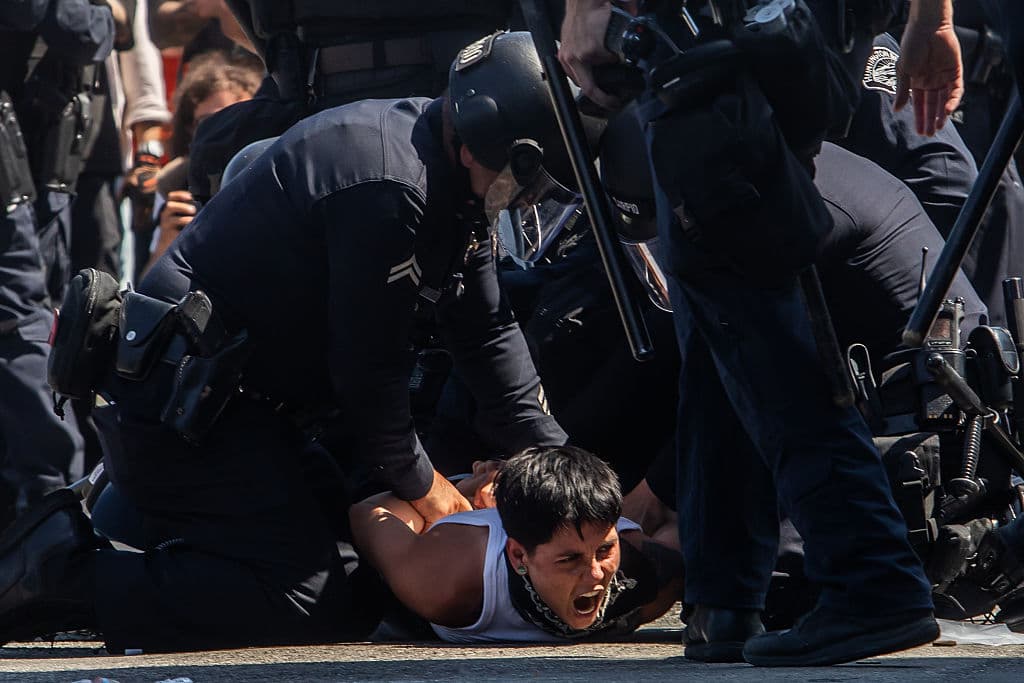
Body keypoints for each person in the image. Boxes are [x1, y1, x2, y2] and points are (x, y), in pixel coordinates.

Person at [0, 31, 574, 653]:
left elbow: (487, 329)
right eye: (530, 179)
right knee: (306, 606)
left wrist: (562, 468)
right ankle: (59, 574)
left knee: (358, 579)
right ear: (484, 149)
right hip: (185, 413)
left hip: (245, 414)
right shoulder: (390, 187)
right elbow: (368, 375)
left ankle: (138, 544)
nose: (529, 199)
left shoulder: (446, 170)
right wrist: (426, 487)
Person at [558, 0, 964, 667]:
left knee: (746, 301)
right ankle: (726, 597)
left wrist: (588, 8)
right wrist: (933, 17)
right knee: (721, 316)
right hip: (798, 31)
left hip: (712, 33)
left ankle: (871, 575)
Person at [350, 446, 684, 643]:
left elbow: (678, 525)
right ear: (519, 555)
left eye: (604, 551)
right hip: (456, 492)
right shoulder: (444, 582)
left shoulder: (646, 574)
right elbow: (367, 511)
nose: (595, 575)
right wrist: (460, 490)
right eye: (569, 560)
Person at [0, 0, 114, 529]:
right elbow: (83, 27)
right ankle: (53, 507)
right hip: (20, 179)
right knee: (23, 320)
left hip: (43, 163)